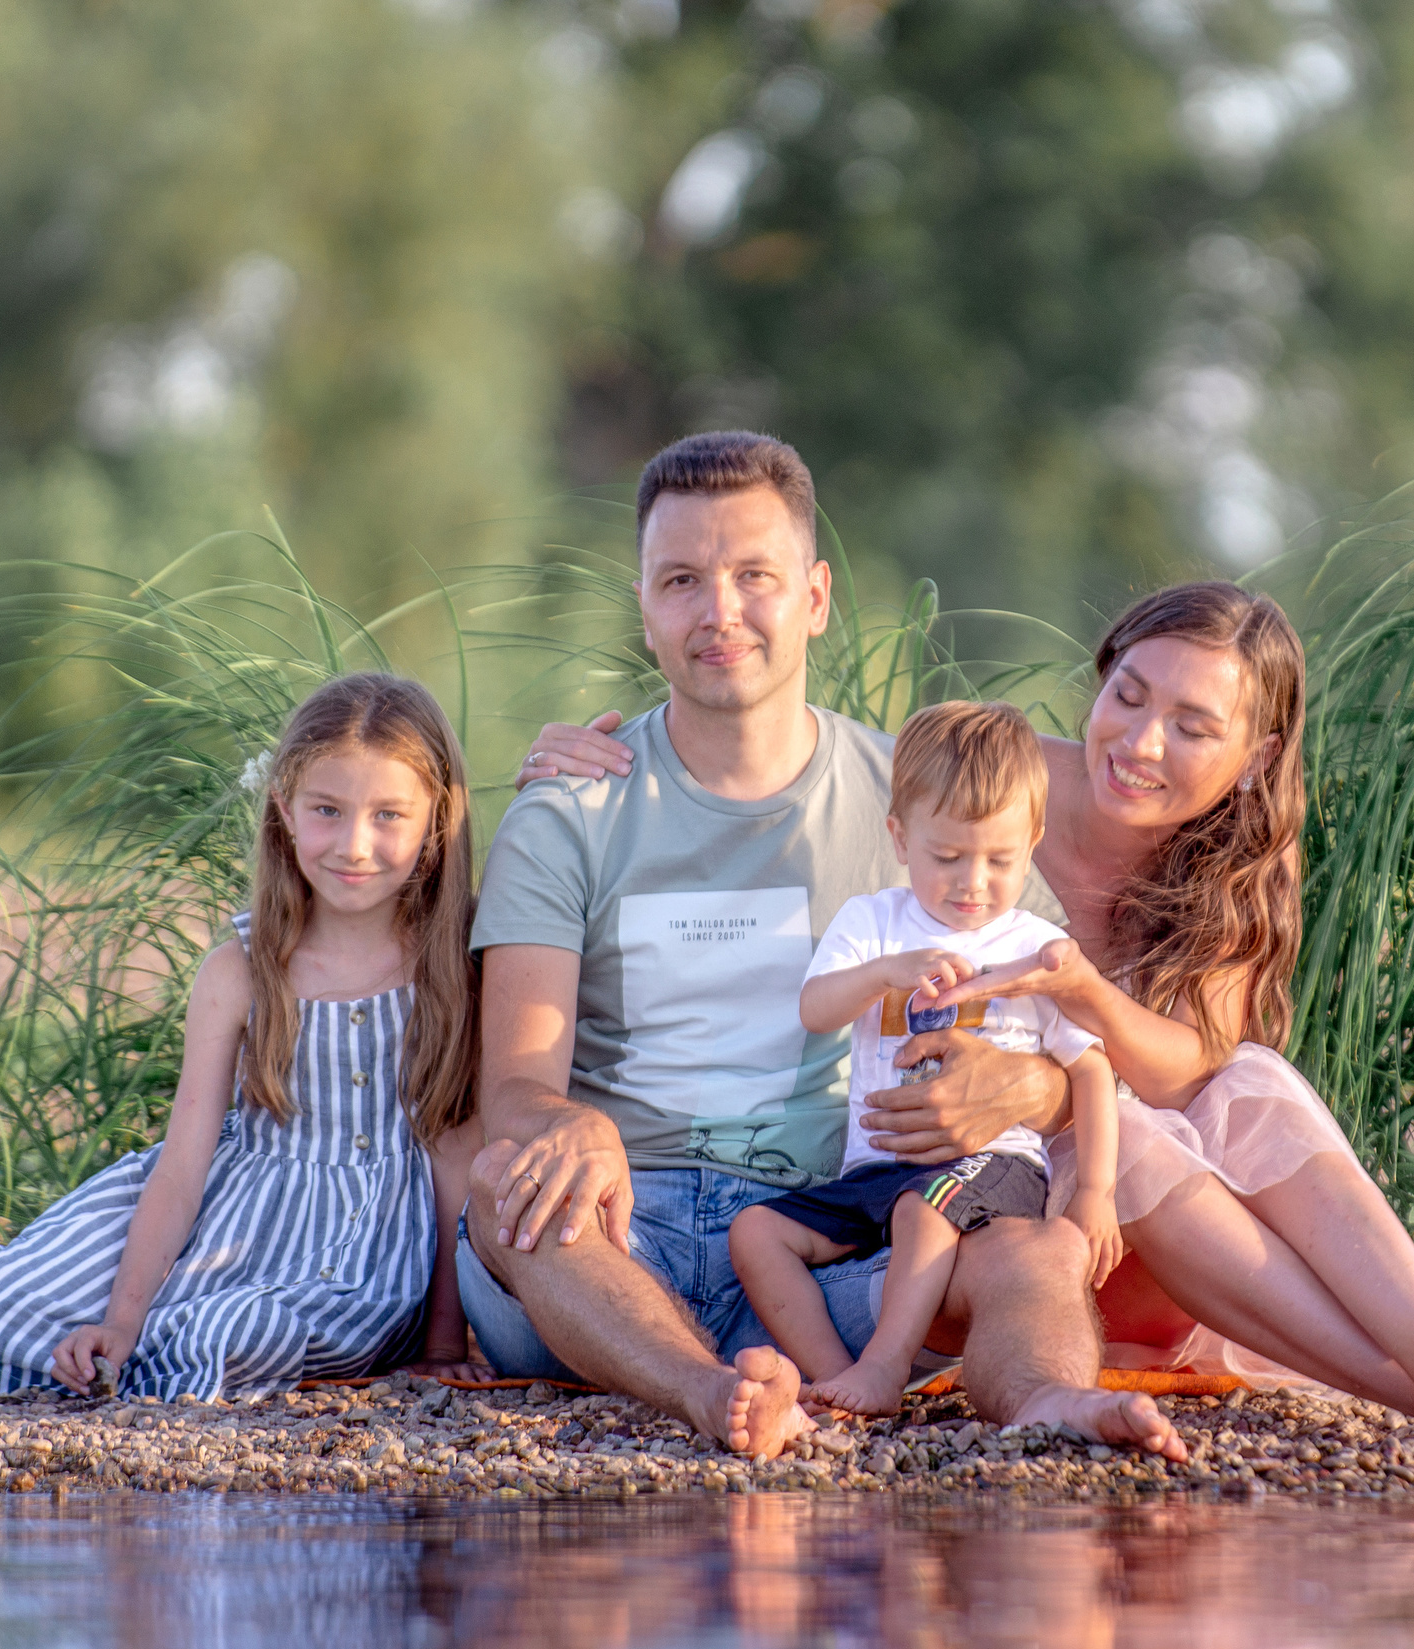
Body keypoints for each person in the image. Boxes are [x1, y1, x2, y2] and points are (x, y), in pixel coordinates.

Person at [518, 582, 1414, 1443]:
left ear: (1258, 758)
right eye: (1128, 695)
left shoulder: (1234, 869)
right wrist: (584, 765)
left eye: (1194, 725)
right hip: (989, 1206)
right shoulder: (991, 789)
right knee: (1124, 1124)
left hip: (1122, 1214)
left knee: (1249, 1080)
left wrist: (1070, 1018)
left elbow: (1186, 1071)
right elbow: (790, 768)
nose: (1140, 743)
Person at [462, 429, 1186, 1461]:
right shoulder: (568, 811)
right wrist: (565, 1122)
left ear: (813, 595)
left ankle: (1048, 1400)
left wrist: (1018, 1090)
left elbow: (1064, 1039)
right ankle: (714, 1395)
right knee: (505, 1185)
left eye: (753, 575)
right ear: (644, 605)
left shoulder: (916, 805)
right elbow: (516, 1088)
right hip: (618, 1241)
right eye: (681, 580)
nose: (719, 612)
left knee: (1032, 1245)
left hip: (837, 1238)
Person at [0, 672, 491, 1399]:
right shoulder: (242, 970)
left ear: (437, 819)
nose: (353, 843)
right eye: (326, 809)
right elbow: (185, 1165)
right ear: (282, 810)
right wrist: (121, 1323)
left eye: (388, 815)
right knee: (2, 1313)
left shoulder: (450, 967)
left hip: (355, 1260)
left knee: (224, 1336)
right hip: (227, 1213)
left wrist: (442, 1342)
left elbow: (452, 1156)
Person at [729, 699, 1122, 1416]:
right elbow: (816, 1008)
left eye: (1000, 859)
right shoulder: (875, 923)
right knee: (755, 1231)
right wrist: (885, 973)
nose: (973, 882)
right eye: (948, 857)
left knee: (924, 1205)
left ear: (1033, 839)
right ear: (900, 836)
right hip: (874, 1169)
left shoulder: (1031, 946)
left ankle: (885, 1366)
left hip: (991, 1166)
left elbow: (1091, 1068)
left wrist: (1095, 1190)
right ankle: (835, 1378)